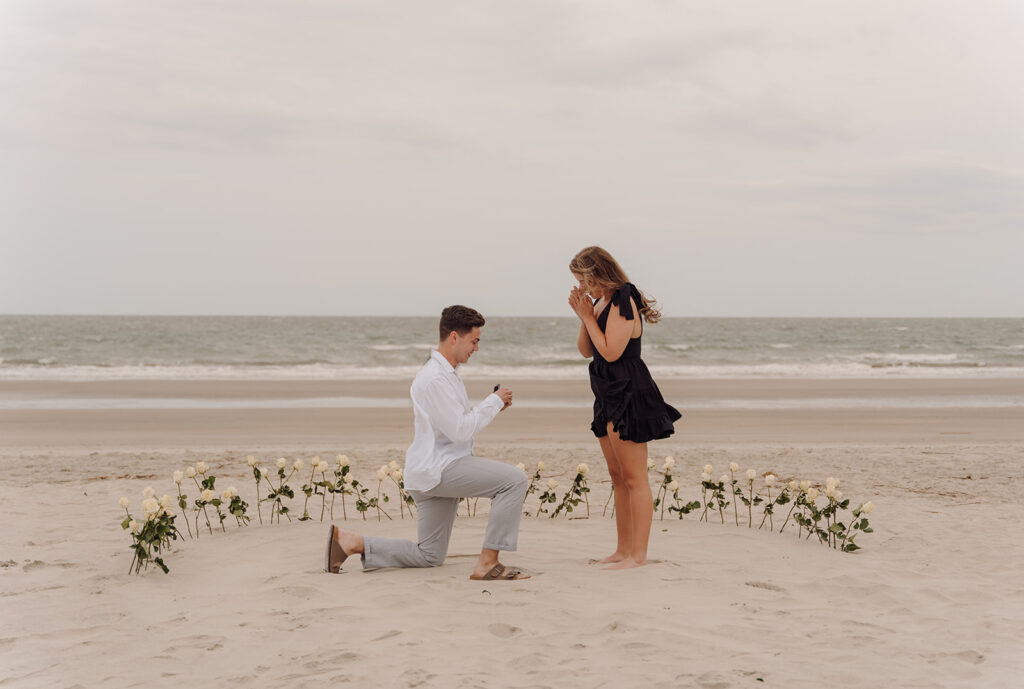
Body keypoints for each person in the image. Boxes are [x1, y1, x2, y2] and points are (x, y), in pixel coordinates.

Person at [324, 305, 531, 581]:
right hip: (441, 468)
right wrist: (493, 402)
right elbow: (459, 431)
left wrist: (492, 407)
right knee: (514, 481)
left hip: (431, 470)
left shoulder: (445, 374)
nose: (477, 348)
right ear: (454, 337)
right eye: (475, 341)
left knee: (429, 555)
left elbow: (456, 425)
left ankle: (350, 542)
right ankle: (488, 563)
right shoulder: (435, 378)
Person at [568, 246, 681, 570]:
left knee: (634, 477)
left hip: (629, 389)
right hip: (605, 390)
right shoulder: (600, 302)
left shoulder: (623, 297)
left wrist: (589, 316)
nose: (583, 287)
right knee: (617, 476)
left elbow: (613, 351)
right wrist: (584, 316)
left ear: (598, 273)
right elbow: (587, 350)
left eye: (584, 279)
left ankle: (638, 555)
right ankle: (622, 549)